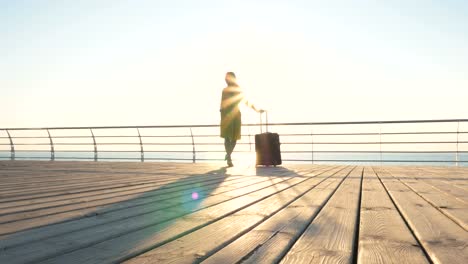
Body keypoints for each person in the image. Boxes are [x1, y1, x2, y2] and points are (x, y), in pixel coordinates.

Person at [220, 72, 263, 167]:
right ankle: (229, 157)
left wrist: (257, 109)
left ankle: (228, 155)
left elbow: (246, 102)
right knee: (229, 138)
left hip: (232, 116)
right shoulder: (226, 90)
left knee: (233, 138)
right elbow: (222, 105)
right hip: (228, 116)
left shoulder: (236, 90)